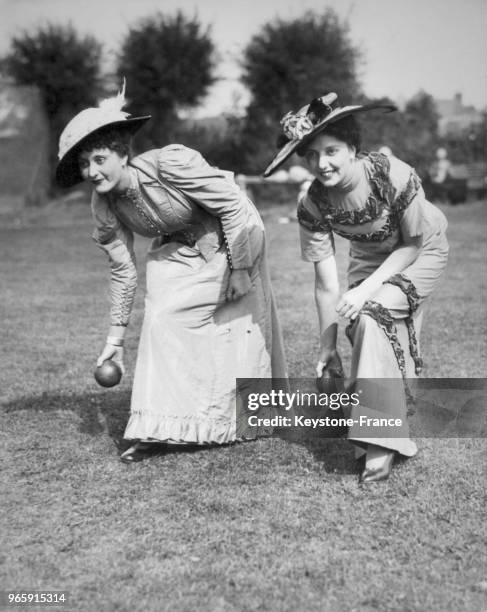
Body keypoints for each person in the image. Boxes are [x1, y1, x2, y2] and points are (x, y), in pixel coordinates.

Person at [56, 83, 287, 462]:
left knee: (234, 327)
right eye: (84, 165)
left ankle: (241, 419)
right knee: (161, 316)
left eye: (99, 159)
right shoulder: (103, 206)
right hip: (180, 246)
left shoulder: (170, 163)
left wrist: (241, 268)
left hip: (237, 231)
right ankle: (162, 428)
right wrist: (115, 338)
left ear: (121, 153)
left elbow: (233, 206)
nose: (92, 172)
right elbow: (123, 271)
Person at [264, 92, 449, 484]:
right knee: (361, 324)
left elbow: (412, 244)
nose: (321, 164)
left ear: (352, 148)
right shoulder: (312, 204)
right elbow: (326, 283)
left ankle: (379, 444)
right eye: (311, 156)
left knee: (372, 312)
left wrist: (366, 292)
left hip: (421, 248)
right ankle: (381, 423)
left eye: (331, 151)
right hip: (370, 257)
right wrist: (327, 345)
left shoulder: (391, 173)